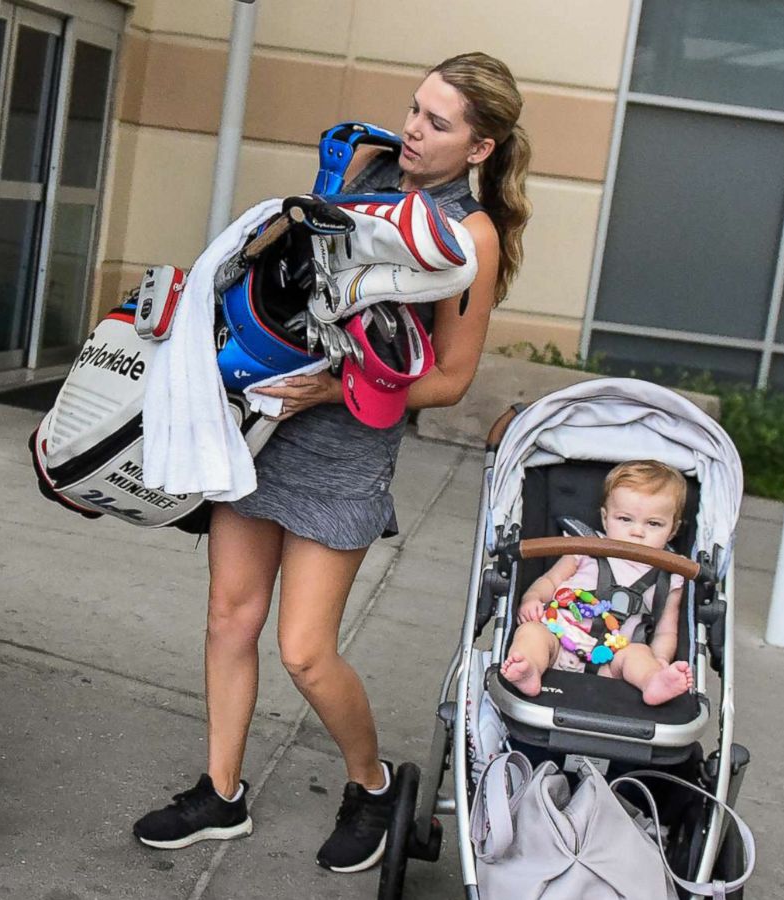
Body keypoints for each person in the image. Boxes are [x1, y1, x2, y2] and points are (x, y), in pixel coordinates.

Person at [131, 52, 532, 873]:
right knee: (227, 620)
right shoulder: (367, 167)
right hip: (263, 425)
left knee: (306, 651)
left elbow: (450, 381)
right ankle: (221, 792)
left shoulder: (471, 236)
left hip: (345, 444)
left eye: (438, 122)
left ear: (481, 148)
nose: (414, 129)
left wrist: (335, 389)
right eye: (416, 109)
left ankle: (374, 786)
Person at [499, 460, 696, 706]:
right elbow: (551, 580)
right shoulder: (584, 547)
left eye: (653, 524)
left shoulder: (671, 573)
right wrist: (532, 598)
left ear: (673, 529)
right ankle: (529, 670)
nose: (637, 532)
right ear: (605, 518)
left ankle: (653, 681)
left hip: (614, 658)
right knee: (530, 633)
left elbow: (667, 630)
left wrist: (659, 660)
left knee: (639, 655)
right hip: (559, 639)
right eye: (625, 519)